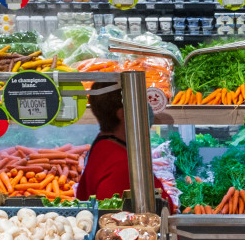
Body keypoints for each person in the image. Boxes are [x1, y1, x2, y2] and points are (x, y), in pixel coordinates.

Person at [75, 82, 176, 211]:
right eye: (139, 104)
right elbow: (120, 221)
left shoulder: (103, 144)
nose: (147, 109)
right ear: (123, 114)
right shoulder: (121, 165)